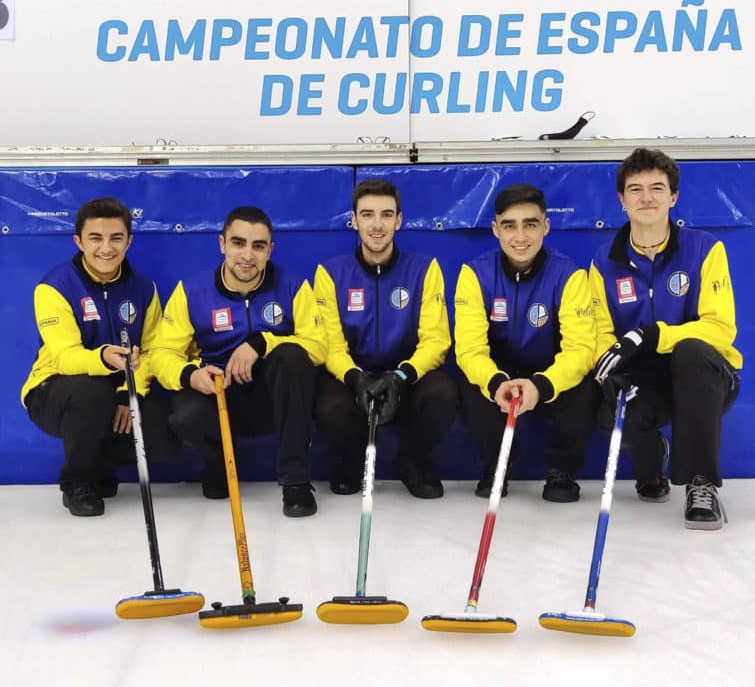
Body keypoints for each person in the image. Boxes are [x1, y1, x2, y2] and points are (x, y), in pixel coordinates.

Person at [591, 147, 741, 530]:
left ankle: (700, 482)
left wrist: (655, 334)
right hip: (649, 381)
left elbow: (721, 328)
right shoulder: (602, 263)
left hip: (705, 377)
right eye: (635, 189)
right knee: (612, 410)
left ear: (673, 197)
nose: (646, 198)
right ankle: (652, 462)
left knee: (691, 351)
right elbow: (601, 334)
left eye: (657, 188)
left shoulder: (705, 249)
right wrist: (609, 373)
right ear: (622, 200)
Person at [151, 206, 326, 518]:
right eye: (238, 243)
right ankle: (218, 464)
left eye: (258, 246)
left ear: (270, 250)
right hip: (220, 396)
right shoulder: (191, 291)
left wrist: (261, 342)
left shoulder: (293, 286)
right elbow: (162, 355)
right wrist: (191, 374)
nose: (248, 255)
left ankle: (295, 482)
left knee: (293, 356)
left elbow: (318, 347)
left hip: (273, 400)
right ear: (222, 244)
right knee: (186, 415)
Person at [21, 197, 171, 517]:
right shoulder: (54, 286)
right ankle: (77, 480)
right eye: (95, 238)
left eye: (116, 238)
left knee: (163, 439)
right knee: (92, 391)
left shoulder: (144, 289)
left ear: (129, 241)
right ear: (79, 241)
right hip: (52, 392)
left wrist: (129, 393)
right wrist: (103, 359)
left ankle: (99, 461)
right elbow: (64, 357)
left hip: (116, 391)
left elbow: (154, 351)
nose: (106, 248)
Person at [313, 178, 457, 499]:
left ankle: (412, 462)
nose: (377, 225)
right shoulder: (329, 272)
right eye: (367, 215)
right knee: (328, 406)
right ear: (353, 220)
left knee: (443, 393)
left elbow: (435, 340)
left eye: (386, 215)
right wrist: (355, 379)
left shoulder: (424, 269)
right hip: (355, 378)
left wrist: (401, 376)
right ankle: (352, 462)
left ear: (399, 220)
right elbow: (330, 345)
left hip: (405, 377)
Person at [454, 184, 596, 502]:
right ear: (496, 230)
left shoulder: (570, 275)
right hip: (500, 373)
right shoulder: (474, 275)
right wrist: (495, 382)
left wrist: (542, 385)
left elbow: (580, 350)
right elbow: (469, 350)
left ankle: (562, 470)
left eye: (530, 224)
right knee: (468, 381)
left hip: (550, 372)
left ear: (545, 226)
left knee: (586, 381)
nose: (520, 237)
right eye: (510, 226)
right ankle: (498, 464)